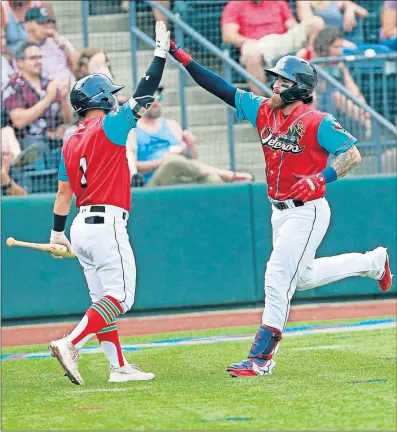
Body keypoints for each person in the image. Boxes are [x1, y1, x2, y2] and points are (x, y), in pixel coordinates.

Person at [168, 41, 393, 377]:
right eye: (275, 80)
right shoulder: (263, 111)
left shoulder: (319, 121)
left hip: (308, 210)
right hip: (280, 211)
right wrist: (182, 56)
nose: (274, 85)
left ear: (299, 89)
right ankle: (374, 262)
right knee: (302, 277)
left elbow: (352, 155)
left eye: (283, 82)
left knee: (277, 276)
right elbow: (222, 89)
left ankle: (261, 357)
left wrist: (322, 178)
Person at [47, 22, 170, 386]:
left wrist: (57, 234)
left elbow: (63, 195)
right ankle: (71, 342)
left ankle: (118, 367)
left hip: (80, 226)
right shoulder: (108, 127)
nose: (114, 98)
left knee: (103, 299)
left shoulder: (70, 140)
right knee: (120, 297)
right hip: (106, 223)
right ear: (100, 100)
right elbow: (144, 96)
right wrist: (160, 53)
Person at [127, 85, 255, 187]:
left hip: (181, 175)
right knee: (172, 163)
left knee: (212, 180)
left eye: (158, 97)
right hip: (153, 181)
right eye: (152, 99)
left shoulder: (172, 125)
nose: (156, 102)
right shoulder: (132, 129)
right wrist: (162, 161)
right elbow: (134, 167)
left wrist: (190, 146)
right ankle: (229, 175)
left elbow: (192, 158)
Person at [221, 0, 324, 94]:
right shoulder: (235, 5)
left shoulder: (278, 2)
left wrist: (300, 41)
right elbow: (228, 35)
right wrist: (246, 41)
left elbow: (292, 26)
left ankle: (314, 77)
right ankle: (261, 105)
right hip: (256, 44)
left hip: (281, 41)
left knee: (316, 22)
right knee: (251, 54)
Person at [3, 41, 73, 175]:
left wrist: (64, 98)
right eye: (33, 58)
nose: (38, 61)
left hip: (54, 140)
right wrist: (47, 99)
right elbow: (19, 120)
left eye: (40, 57)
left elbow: (67, 119)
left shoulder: (48, 83)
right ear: (19, 63)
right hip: (28, 142)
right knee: (37, 146)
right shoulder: (14, 87)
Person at [296, 27, 371, 137]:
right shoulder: (304, 54)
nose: (339, 51)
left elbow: (350, 85)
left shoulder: (337, 59)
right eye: (336, 47)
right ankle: (305, 133)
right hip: (305, 93)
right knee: (312, 96)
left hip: (329, 94)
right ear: (325, 46)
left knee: (338, 96)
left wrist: (362, 104)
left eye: (341, 46)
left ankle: (369, 125)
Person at [296, 1, 368, 33]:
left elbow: (364, 13)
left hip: (339, 43)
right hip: (320, 44)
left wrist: (350, 9)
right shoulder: (304, 2)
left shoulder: (337, 1)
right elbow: (309, 25)